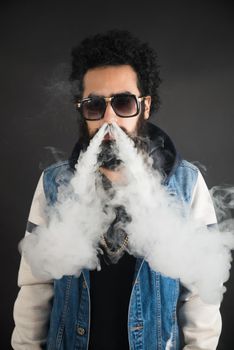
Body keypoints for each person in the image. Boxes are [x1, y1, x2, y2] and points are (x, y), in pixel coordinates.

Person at [12, 29, 222, 350]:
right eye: (95, 105)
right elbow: (35, 288)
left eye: (123, 102)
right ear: (82, 110)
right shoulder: (54, 185)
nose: (109, 118)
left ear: (145, 106)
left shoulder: (187, 184)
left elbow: (201, 300)